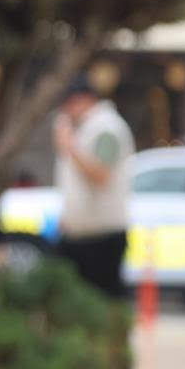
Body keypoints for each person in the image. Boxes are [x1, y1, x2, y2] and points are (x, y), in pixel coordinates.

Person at [52, 75, 134, 298]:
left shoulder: (106, 128)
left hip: (102, 235)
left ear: (84, 99)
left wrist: (69, 146)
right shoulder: (85, 127)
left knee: (103, 301)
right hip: (80, 233)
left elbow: (101, 175)